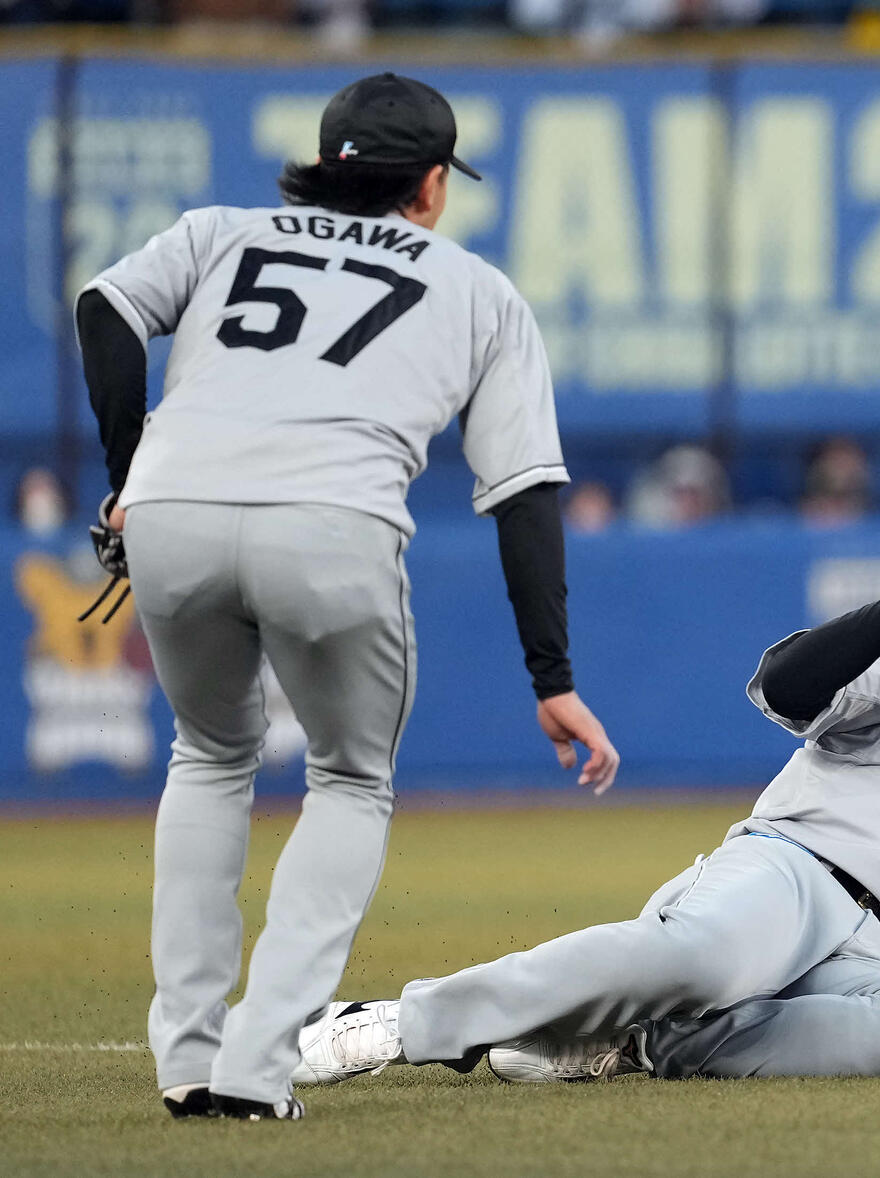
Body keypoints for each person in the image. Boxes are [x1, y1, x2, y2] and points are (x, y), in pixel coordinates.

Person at [74, 72, 619, 1122]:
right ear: (428, 184)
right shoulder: (477, 289)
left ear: (325, 163)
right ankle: (253, 1065)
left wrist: (131, 473)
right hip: (332, 525)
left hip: (177, 507)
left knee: (208, 753)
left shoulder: (222, 230)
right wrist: (551, 677)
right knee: (350, 780)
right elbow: (523, 494)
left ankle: (187, 1059)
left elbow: (104, 307)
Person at [290, 512, 880, 1088]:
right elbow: (785, 685)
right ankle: (401, 1019)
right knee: (704, 963)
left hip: (872, 966)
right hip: (789, 877)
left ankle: (651, 1044)